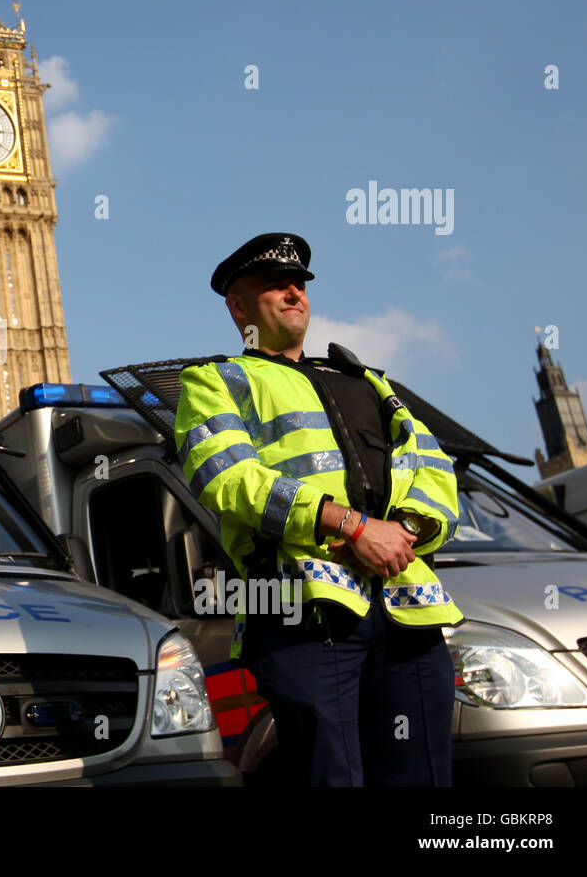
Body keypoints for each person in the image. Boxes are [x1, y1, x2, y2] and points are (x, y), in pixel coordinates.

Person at [173, 232, 464, 786]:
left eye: (299, 284)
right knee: (331, 777)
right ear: (237, 306)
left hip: (408, 609)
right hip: (302, 614)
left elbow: (434, 466)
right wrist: (351, 526)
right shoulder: (216, 380)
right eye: (274, 286)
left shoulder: (371, 382)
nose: (293, 293)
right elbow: (229, 478)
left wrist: (400, 531)